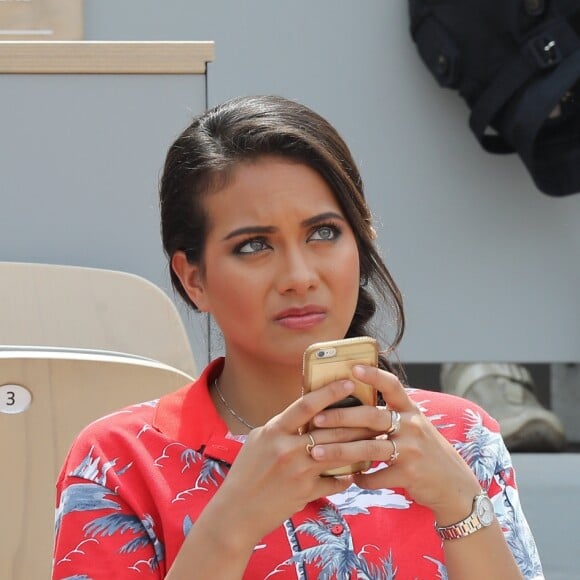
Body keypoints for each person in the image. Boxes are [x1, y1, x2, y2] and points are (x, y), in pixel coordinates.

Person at [52, 95, 543, 579]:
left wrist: (461, 506)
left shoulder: (461, 438)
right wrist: (230, 526)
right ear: (193, 279)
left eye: (324, 233)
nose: (299, 275)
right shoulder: (116, 462)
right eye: (255, 245)